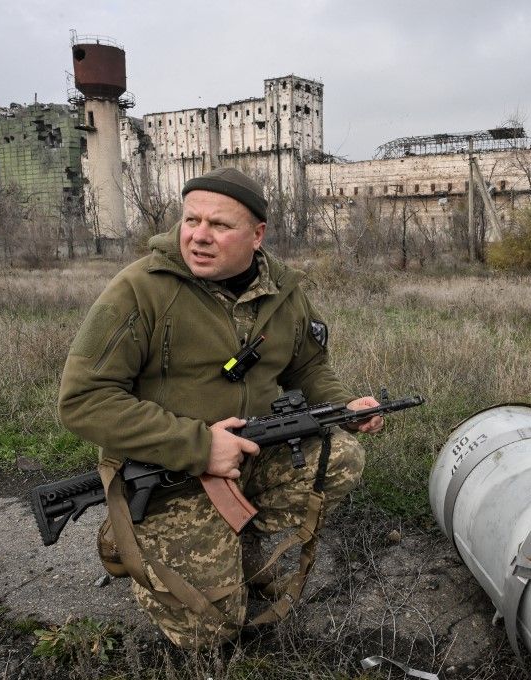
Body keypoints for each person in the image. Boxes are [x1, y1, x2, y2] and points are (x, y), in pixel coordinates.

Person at [57, 167, 383, 647]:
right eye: (191, 221)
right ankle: (129, 539)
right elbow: (83, 401)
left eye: (219, 226)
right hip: (168, 472)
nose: (199, 237)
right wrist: (200, 445)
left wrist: (343, 406)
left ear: (257, 235)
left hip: (252, 453)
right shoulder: (138, 290)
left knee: (340, 455)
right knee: (209, 632)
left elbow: (308, 368)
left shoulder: (283, 292)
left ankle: (237, 544)